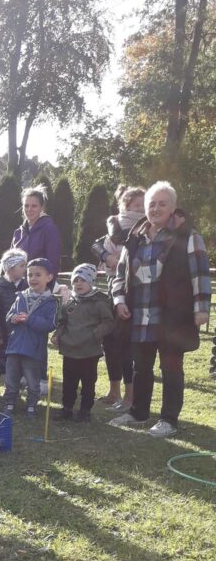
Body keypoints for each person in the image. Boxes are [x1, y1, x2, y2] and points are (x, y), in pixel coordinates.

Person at [110, 181, 211, 438]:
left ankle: (168, 420)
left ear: (173, 207)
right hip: (140, 314)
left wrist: (201, 308)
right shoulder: (135, 237)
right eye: (151, 204)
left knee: (171, 367)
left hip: (173, 315)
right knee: (141, 366)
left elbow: (200, 273)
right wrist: (119, 300)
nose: (155, 209)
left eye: (162, 204)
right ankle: (138, 413)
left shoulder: (188, 236)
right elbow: (120, 275)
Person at [92, 185, 145, 409]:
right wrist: (106, 255)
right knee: (110, 342)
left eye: (144, 205)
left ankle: (129, 396)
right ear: (125, 206)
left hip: (135, 292)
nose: (141, 210)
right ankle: (113, 391)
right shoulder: (114, 228)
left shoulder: (146, 229)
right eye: (137, 206)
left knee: (126, 346)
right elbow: (96, 244)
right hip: (112, 288)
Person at [11, 186, 62, 394]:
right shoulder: (18, 232)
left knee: (38, 335)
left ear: (41, 207)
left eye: (34, 206)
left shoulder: (49, 229)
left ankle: (40, 380)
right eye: (26, 205)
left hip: (41, 291)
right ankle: (24, 376)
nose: (29, 209)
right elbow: (12, 261)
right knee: (23, 333)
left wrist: (46, 287)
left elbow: (54, 260)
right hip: (22, 290)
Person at [51, 264, 115, 422]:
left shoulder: (99, 302)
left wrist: (94, 335)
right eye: (75, 280)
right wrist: (57, 335)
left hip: (89, 351)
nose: (78, 284)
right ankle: (67, 408)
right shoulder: (70, 303)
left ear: (91, 281)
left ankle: (85, 411)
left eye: (83, 280)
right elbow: (63, 323)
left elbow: (108, 323)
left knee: (88, 384)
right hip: (70, 351)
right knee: (69, 383)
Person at [2, 258, 57, 417]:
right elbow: (9, 317)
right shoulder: (21, 296)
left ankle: (31, 406)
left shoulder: (51, 301)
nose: (32, 278)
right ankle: (9, 403)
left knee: (33, 382)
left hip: (33, 350)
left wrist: (30, 319)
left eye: (38, 275)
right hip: (14, 347)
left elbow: (50, 324)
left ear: (49, 277)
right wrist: (13, 319)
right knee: (11, 380)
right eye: (29, 274)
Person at [0, 249, 28, 397]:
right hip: (3, 333)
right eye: (22, 265)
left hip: (20, 333)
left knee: (17, 362)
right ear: (11, 268)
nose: (25, 269)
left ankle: (12, 389)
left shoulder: (26, 287)